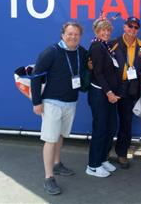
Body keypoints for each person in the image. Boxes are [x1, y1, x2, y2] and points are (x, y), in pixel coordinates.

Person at [31, 21, 87, 195]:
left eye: (76, 34)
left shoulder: (82, 52)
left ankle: (57, 164)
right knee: (50, 139)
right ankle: (49, 178)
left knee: (60, 135)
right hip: (52, 103)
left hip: (71, 101)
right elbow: (36, 77)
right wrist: (36, 102)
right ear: (62, 34)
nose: (73, 37)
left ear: (80, 36)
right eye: (69, 34)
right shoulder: (51, 52)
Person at [86, 16, 121, 178]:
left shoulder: (105, 46)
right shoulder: (96, 47)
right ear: (96, 32)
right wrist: (109, 92)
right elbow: (98, 73)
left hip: (109, 95)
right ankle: (93, 165)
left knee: (111, 127)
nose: (106, 33)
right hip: (100, 94)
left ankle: (103, 158)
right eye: (103, 30)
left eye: (108, 30)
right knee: (100, 129)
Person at [111, 16, 141, 168]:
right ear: (124, 27)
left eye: (135, 27)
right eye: (130, 26)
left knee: (126, 122)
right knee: (107, 122)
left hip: (130, 88)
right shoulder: (113, 43)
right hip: (113, 87)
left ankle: (122, 154)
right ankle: (103, 154)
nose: (132, 29)